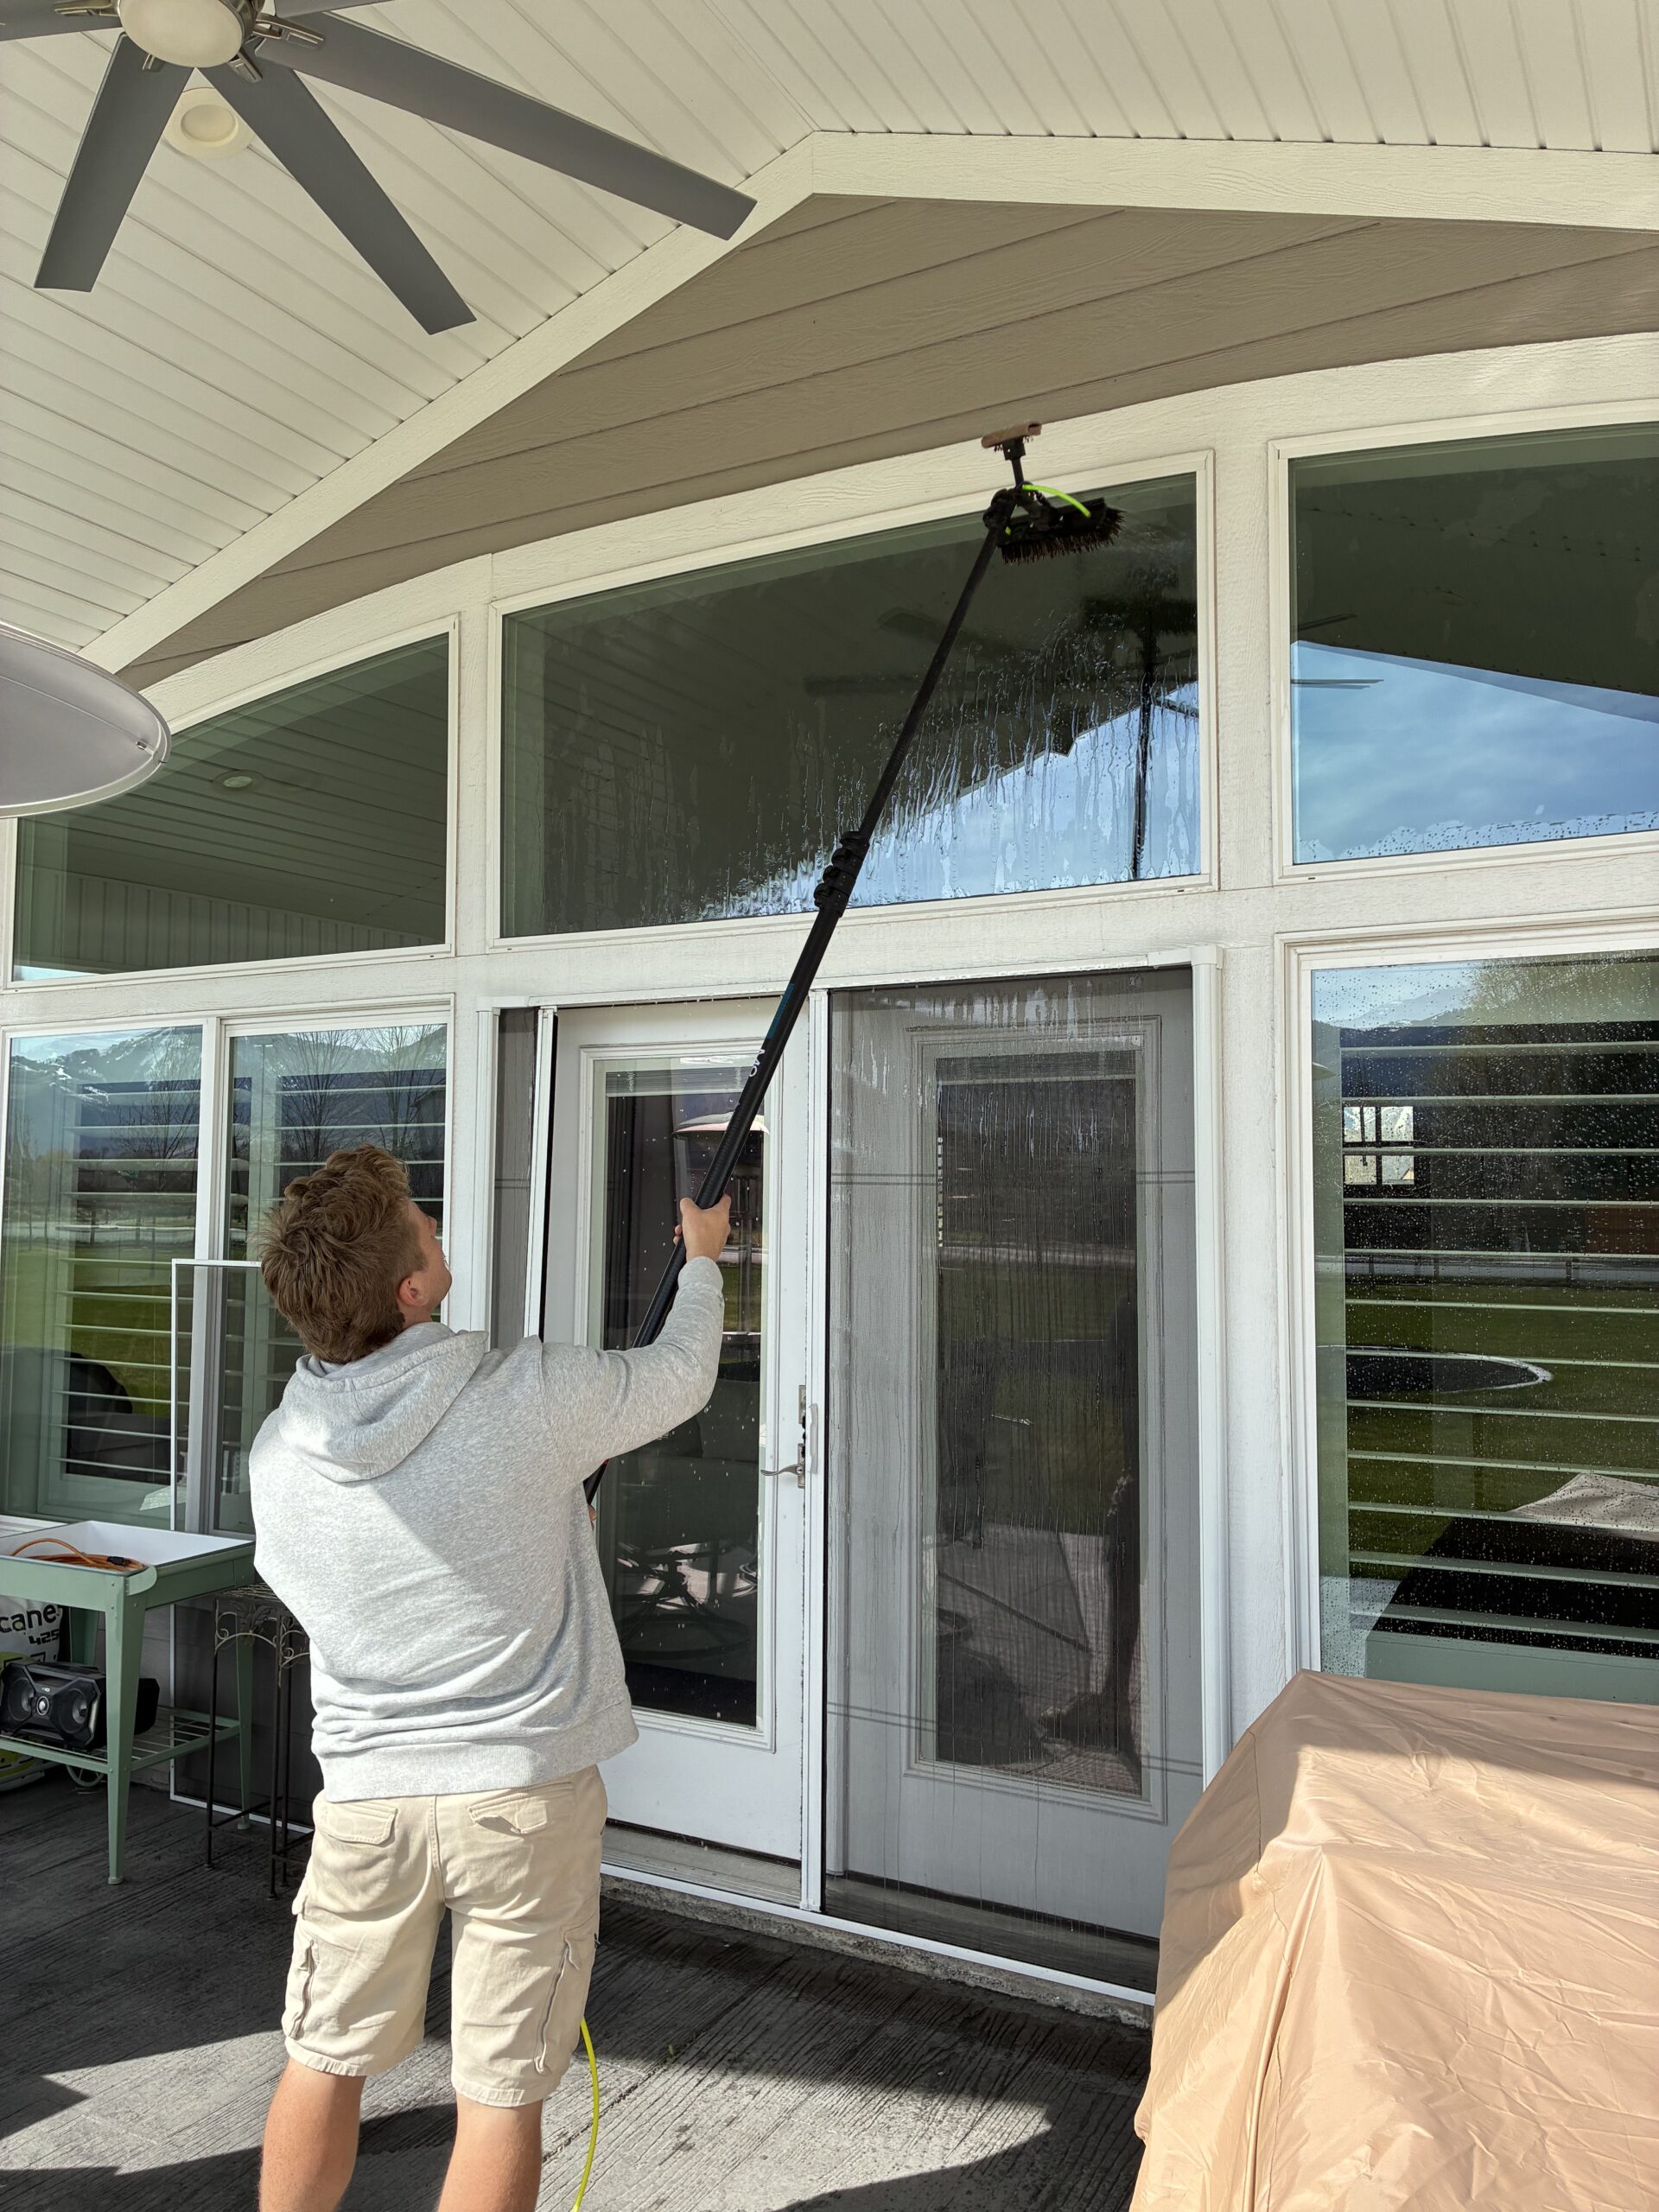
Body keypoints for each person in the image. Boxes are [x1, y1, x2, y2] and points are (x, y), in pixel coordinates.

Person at [248, 1143, 728, 2212]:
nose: (436, 1227)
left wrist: (528, 1519)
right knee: (500, 2091)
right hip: (522, 1803)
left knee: (324, 2053)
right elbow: (680, 1376)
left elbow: (310, 1582)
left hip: (367, 1807)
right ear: (411, 1289)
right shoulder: (528, 1392)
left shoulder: (280, 1455)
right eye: (425, 1223)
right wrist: (703, 1260)